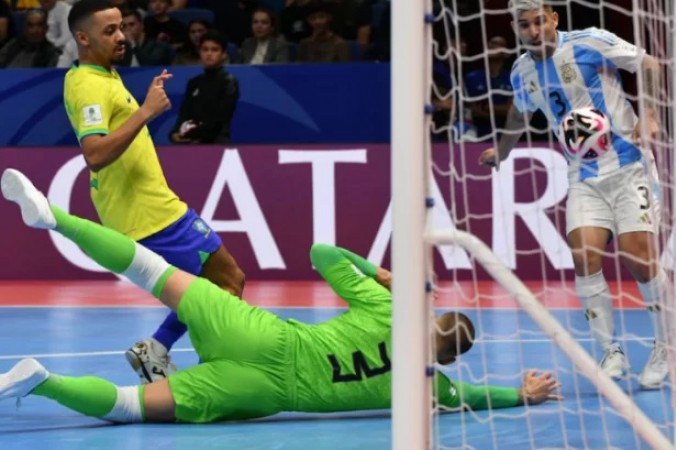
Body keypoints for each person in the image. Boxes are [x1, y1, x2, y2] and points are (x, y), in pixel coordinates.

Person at [0, 168, 562, 423]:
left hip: (265, 336)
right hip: (263, 390)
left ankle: (53, 217)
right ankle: (44, 382)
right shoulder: (430, 389)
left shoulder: (391, 307)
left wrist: (380, 273)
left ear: (428, 318)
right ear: (445, 357)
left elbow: (320, 253)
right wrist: (524, 392)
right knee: (129, 408)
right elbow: (483, 395)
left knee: (152, 270)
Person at [478, 0, 669, 389]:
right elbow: (520, 114)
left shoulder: (589, 42)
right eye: (525, 25)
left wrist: (649, 115)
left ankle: (667, 344)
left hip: (630, 164)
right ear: (515, 28)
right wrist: (502, 150)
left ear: (554, 18)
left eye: (540, 21)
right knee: (584, 255)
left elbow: (647, 64)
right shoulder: (522, 71)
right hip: (583, 175)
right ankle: (610, 351)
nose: (534, 30)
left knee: (639, 259)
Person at [62, 0, 244, 384]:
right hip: (147, 215)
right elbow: (94, 154)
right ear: (82, 38)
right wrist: (146, 112)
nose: (121, 36)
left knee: (217, 284)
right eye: (108, 30)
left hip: (153, 207)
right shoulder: (88, 86)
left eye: (121, 27)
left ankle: (160, 349)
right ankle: (221, 368)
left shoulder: (103, 76)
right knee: (226, 282)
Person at [169, 30, 240, 144]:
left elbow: (219, 119)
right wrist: (174, 133)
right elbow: (184, 113)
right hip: (190, 141)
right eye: (205, 49)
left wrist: (191, 134)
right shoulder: (194, 83)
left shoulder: (229, 82)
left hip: (217, 142)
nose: (209, 54)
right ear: (199, 52)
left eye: (214, 50)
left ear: (224, 54)